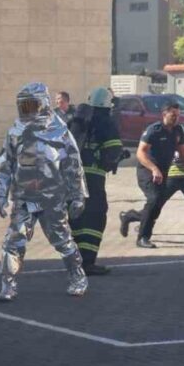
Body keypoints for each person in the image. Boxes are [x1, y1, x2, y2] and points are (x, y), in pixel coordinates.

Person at [0, 82, 89, 300]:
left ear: (43, 105)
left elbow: (73, 165)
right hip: (25, 198)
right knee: (13, 241)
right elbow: (5, 164)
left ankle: (77, 276)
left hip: (52, 198)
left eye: (32, 105)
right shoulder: (15, 132)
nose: (28, 111)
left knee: (62, 240)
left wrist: (78, 196)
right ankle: (8, 284)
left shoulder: (60, 132)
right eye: (24, 106)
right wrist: (0, 194)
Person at [116, 102, 184, 249]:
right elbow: (140, 153)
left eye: (178, 115)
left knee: (156, 207)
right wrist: (154, 169)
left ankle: (129, 216)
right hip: (147, 171)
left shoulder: (178, 131)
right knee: (154, 199)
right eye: (173, 115)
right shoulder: (154, 130)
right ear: (164, 114)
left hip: (163, 172)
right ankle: (143, 238)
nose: (176, 118)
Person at [67, 87, 124, 275]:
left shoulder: (76, 120)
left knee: (76, 217)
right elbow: (113, 151)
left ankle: (75, 261)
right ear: (107, 103)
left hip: (71, 178)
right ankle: (88, 263)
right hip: (92, 179)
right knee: (95, 218)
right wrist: (112, 161)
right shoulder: (105, 122)